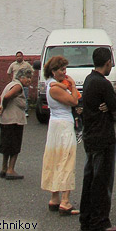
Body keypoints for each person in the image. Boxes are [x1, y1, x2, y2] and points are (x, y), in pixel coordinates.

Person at [79, 46, 116, 231]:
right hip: (103, 137)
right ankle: (100, 221)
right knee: (102, 180)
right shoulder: (103, 84)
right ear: (107, 63)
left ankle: (86, 218)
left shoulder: (89, 80)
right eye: (111, 63)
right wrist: (109, 108)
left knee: (90, 178)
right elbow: (115, 106)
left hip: (90, 135)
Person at [40, 55, 80, 214]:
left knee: (55, 158)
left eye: (65, 69)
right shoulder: (56, 88)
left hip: (54, 124)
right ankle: (65, 201)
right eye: (61, 69)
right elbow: (74, 101)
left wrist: (65, 84)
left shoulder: (51, 84)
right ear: (53, 71)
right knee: (66, 159)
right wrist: (73, 85)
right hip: (63, 124)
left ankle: (54, 197)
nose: (65, 72)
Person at [0, 66, 34, 179]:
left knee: (6, 145)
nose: (29, 80)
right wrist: (4, 106)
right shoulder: (18, 86)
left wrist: (1, 106)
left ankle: (4, 168)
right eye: (27, 77)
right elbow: (7, 97)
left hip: (5, 120)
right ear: (21, 77)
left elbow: (0, 98)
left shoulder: (10, 85)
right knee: (14, 146)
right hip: (14, 120)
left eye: (30, 77)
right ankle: (11, 170)